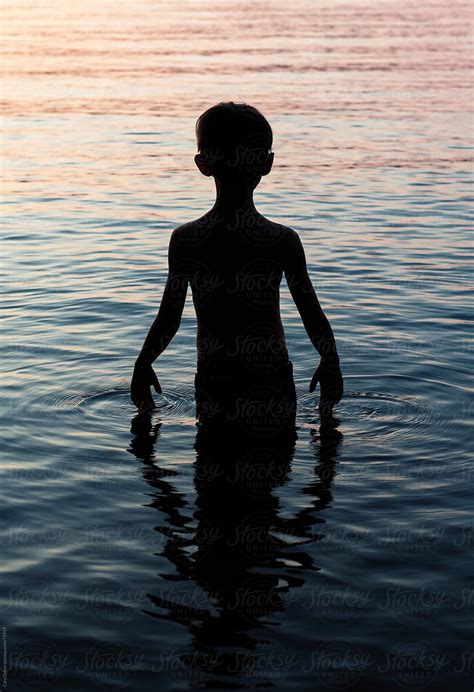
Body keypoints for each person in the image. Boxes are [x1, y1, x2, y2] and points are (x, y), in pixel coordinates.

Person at [131, 102, 343, 428]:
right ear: (267, 163)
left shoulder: (187, 239)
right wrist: (330, 361)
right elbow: (311, 314)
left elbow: (168, 319)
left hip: (216, 379)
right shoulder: (281, 240)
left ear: (203, 163)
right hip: (271, 380)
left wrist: (143, 364)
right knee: (274, 464)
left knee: (214, 463)